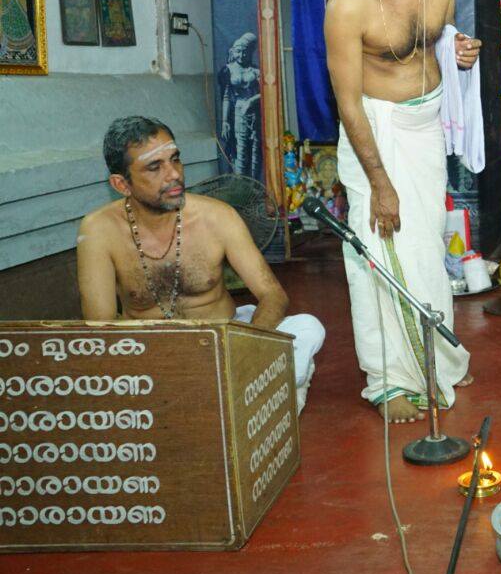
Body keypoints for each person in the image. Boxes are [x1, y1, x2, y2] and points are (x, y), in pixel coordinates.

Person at [325, 0, 481, 423]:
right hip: (378, 129)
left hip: (427, 121)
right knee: (379, 253)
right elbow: (347, 103)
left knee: (426, 246)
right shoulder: (348, 4)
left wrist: (457, 50)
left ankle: (434, 359)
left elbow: (432, 37)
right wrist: (380, 181)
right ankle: (389, 379)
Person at [76, 117, 325, 410]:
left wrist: (245, 349)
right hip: (152, 354)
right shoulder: (98, 230)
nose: (174, 175)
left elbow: (272, 295)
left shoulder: (217, 216)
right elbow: (100, 327)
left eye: (175, 159)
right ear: (121, 184)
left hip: (228, 342)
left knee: (309, 327)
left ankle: (250, 387)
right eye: (155, 167)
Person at [219, 33, 262, 178]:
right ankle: (240, 188)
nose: (242, 55)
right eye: (239, 51)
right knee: (240, 152)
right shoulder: (229, 70)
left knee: (256, 153)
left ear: (250, 52)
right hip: (238, 114)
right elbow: (226, 97)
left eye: (246, 51)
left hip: (255, 114)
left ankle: (256, 188)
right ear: (234, 51)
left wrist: (252, 100)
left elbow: (267, 93)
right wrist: (225, 121)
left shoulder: (256, 71)